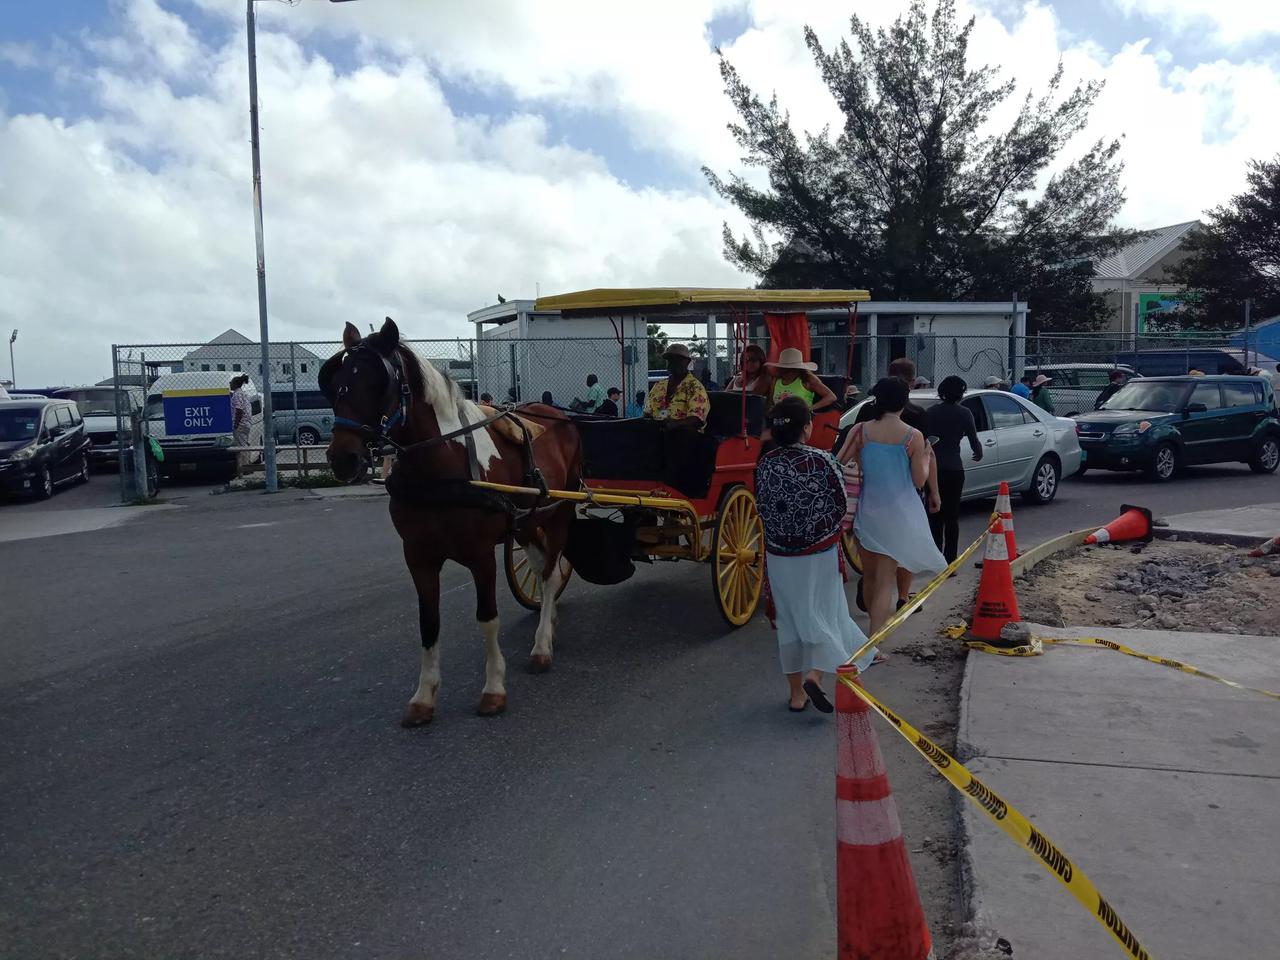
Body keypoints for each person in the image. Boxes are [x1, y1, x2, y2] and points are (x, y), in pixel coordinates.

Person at [755, 396, 881, 714]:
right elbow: (840, 505)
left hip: (780, 555)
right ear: (807, 428)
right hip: (819, 553)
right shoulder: (823, 461)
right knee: (827, 612)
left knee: (790, 621)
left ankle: (797, 695)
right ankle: (816, 674)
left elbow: (762, 507)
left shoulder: (765, 464)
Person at [843, 378, 946, 638]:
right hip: (898, 514)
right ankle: (874, 641)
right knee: (885, 581)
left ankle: (872, 626)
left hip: (866, 511)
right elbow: (918, 481)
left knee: (869, 576)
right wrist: (924, 456)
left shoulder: (860, 430)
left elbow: (838, 462)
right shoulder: (913, 435)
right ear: (904, 401)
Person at [923, 376, 982, 563]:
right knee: (952, 516)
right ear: (961, 393)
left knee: (934, 514)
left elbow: (923, 441)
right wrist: (977, 453)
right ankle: (950, 560)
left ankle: (934, 558)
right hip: (955, 470)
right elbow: (975, 443)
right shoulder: (964, 413)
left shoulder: (930, 413)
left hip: (933, 470)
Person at [644, 343, 709, 429]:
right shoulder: (659, 386)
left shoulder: (695, 387)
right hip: (657, 434)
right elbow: (647, 413)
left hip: (684, 436)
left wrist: (675, 424)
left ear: (687, 361)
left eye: (678, 359)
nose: (673, 362)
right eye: (670, 359)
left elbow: (697, 419)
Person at [766, 348, 838, 412]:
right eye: (785, 369)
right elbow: (771, 402)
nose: (788, 373)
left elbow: (831, 397)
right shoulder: (776, 380)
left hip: (801, 421)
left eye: (791, 370)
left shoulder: (807, 379)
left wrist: (809, 409)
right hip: (780, 420)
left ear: (798, 369)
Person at [230, 375, 252, 474]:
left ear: (235, 384)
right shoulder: (243, 394)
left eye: (231, 382)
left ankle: (244, 468)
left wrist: (236, 424)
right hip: (247, 423)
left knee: (241, 447)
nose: (230, 384)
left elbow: (239, 410)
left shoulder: (237, 395)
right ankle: (247, 465)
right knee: (245, 444)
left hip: (240, 424)